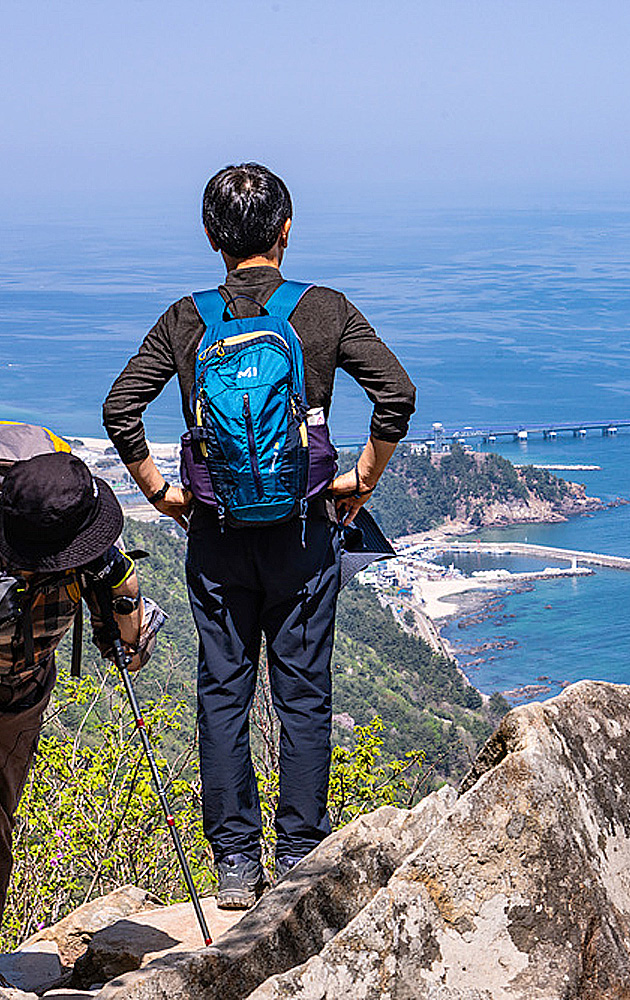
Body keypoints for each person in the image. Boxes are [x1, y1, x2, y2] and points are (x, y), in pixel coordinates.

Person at [103, 163, 416, 907]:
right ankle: (305, 854)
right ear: (286, 228)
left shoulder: (188, 318)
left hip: (215, 535)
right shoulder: (324, 311)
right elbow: (396, 395)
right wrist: (360, 480)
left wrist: (164, 494)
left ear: (210, 236)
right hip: (303, 533)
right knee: (304, 696)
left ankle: (237, 866)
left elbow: (122, 409)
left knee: (224, 692)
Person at [0, 451, 158, 922]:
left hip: (21, 696)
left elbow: (133, 650)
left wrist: (122, 596)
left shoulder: (94, 556)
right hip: (23, 691)